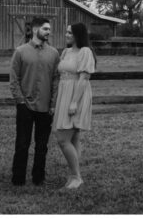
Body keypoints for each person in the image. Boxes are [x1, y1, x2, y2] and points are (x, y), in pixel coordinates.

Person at [9, 17, 60, 186]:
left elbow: (55, 80)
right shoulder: (20, 51)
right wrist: (20, 101)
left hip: (46, 107)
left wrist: (53, 103)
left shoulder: (54, 54)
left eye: (49, 29)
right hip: (26, 106)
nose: (48, 32)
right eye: (45, 29)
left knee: (42, 146)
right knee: (22, 144)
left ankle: (38, 178)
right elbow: (14, 78)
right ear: (35, 29)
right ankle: (18, 178)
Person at [53, 22, 96, 190]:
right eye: (66, 32)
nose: (66, 35)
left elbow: (84, 79)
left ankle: (76, 176)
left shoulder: (85, 52)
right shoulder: (66, 51)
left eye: (70, 32)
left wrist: (73, 102)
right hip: (64, 93)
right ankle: (73, 174)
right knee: (73, 137)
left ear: (79, 34)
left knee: (62, 138)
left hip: (76, 95)